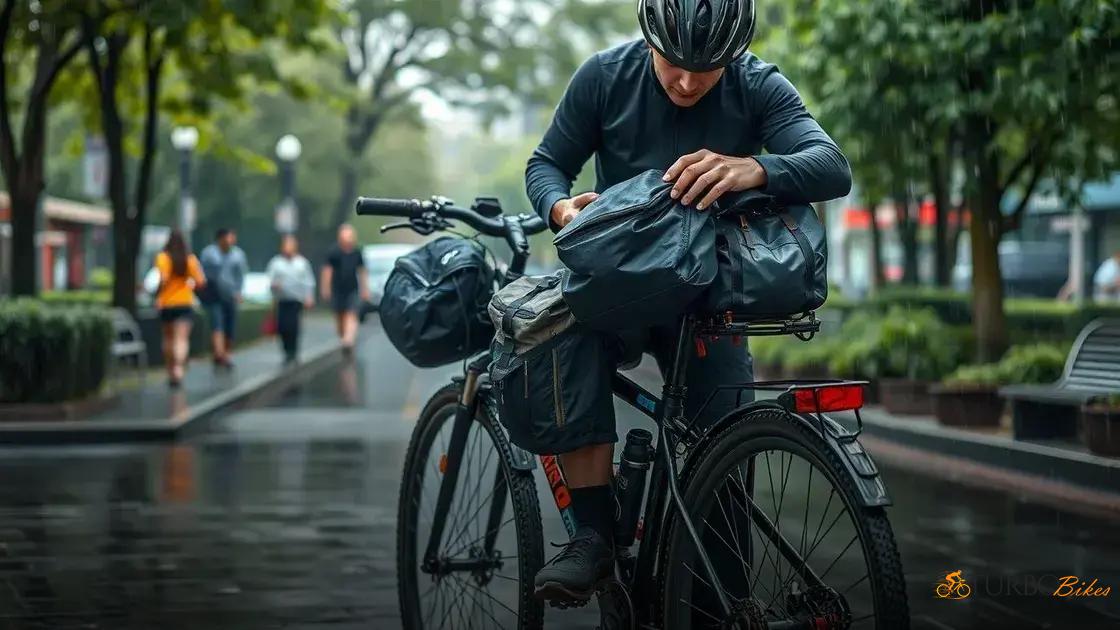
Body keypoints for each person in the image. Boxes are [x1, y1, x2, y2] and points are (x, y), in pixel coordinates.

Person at [524, 0, 852, 604]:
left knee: (721, 473)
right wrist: (560, 207)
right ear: (650, 37)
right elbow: (547, 165)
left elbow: (831, 166)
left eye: (708, 68)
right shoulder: (603, 77)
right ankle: (592, 536)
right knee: (566, 337)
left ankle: (723, 602)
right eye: (673, 63)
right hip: (620, 286)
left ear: (733, 55)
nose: (686, 81)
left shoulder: (757, 83)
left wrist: (756, 168)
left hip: (709, 300)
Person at [154, 230, 207, 387]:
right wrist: (189, 286)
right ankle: (178, 368)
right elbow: (201, 282)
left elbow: (162, 279)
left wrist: (158, 294)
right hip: (184, 302)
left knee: (168, 338)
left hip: (166, 303)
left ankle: (170, 370)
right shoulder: (190, 259)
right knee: (181, 339)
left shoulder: (162, 257)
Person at [199, 228, 248, 369]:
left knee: (229, 326)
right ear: (220, 239)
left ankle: (226, 353)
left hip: (231, 296)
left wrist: (239, 292)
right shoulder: (209, 254)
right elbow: (202, 273)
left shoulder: (238, 255)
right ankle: (219, 353)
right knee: (217, 324)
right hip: (213, 296)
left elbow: (241, 275)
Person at [320, 224, 370, 356]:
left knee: (351, 313)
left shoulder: (357, 252)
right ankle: (344, 337)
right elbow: (327, 271)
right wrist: (326, 288)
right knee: (340, 316)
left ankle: (348, 339)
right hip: (337, 289)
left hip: (352, 289)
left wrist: (365, 289)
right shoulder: (333, 252)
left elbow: (362, 271)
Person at [267, 234, 316, 363]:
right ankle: (286, 350)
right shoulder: (276, 263)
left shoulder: (302, 263)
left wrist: (309, 296)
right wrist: (274, 286)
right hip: (282, 299)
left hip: (296, 300)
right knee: (282, 326)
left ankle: (293, 351)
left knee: (293, 325)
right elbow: (270, 279)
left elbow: (308, 281)